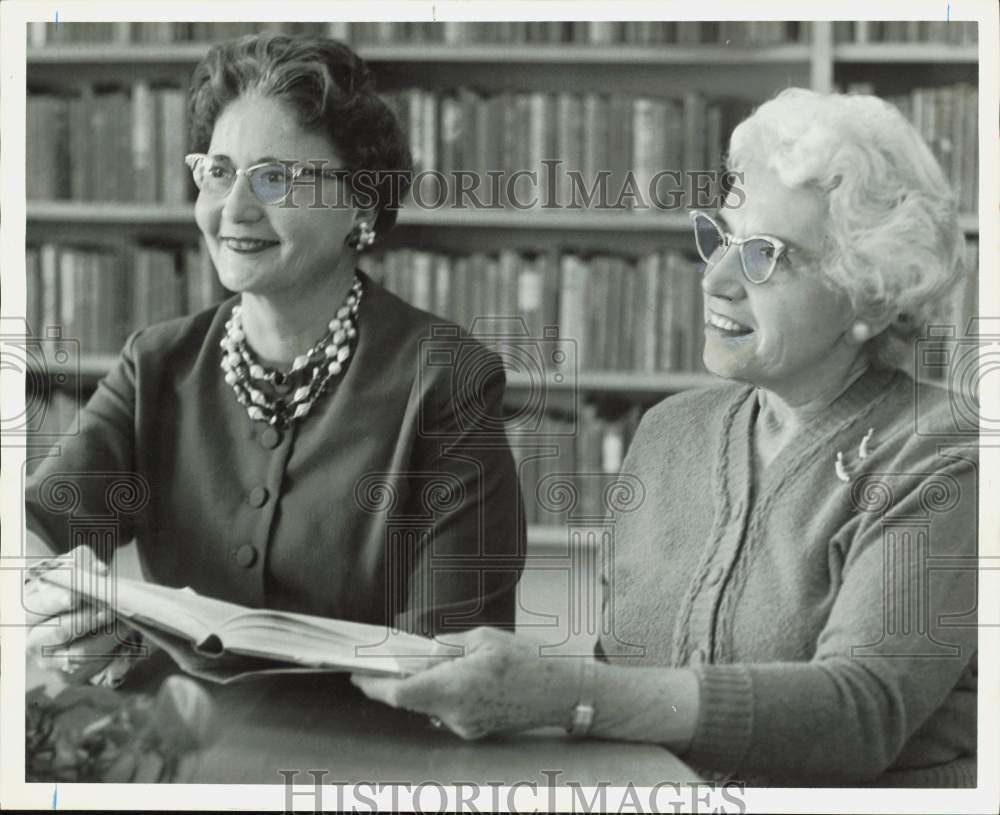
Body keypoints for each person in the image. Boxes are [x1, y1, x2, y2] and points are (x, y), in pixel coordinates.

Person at [352, 88, 979, 787]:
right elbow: (622, 690)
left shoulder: (942, 451)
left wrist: (565, 692)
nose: (716, 279)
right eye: (724, 238)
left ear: (870, 294)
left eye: (767, 256)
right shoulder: (670, 432)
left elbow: (858, 712)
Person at [25, 33, 525, 684]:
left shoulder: (447, 381)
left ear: (361, 204)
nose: (233, 210)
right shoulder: (156, 364)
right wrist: (57, 611)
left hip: (369, 761)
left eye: (275, 177)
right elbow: (34, 528)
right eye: (219, 171)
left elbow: (457, 662)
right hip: (179, 748)